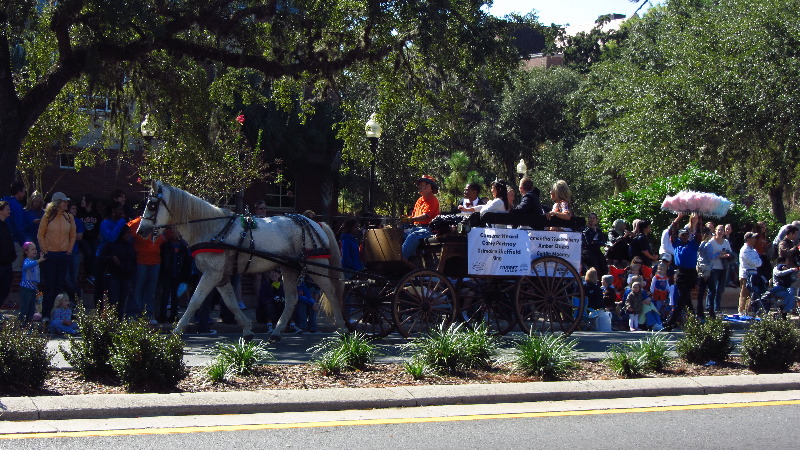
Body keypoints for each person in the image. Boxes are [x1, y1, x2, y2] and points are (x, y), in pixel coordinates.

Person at [37, 192, 76, 322]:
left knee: (59, 285)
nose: (66, 203)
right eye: (64, 201)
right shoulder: (47, 217)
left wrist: (69, 250)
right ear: (57, 202)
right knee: (49, 286)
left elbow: (73, 235)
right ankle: (46, 314)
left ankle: (56, 314)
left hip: (63, 255)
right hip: (50, 255)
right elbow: (40, 234)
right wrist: (45, 250)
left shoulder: (69, 217)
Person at [664, 213, 701, 330]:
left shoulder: (693, 244)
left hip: (690, 273)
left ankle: (671, 322)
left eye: (686, 235)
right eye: (683, 235)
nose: (685, 236)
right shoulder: (676, 244)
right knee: (685, 299)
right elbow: (671, 231)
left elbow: (698, 234)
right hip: (680, 273)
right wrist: (678, 218)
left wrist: (697, 222)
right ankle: (693, 322)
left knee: (683, 298)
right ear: (680, 236)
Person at [127, 215, 165, 322]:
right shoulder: (135, 223)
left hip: (155, 262)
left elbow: (163, 239)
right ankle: (136, 315)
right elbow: (127, 235)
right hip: (140, 262)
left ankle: (148, 315)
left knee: (150, 290)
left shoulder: (158, 224)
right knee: (138, 289)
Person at [94, 201, 127, 307]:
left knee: (115, 285)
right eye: (120, 210)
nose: (122, 212)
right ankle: (99, 310)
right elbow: (111, 238)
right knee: (100, 285)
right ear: (113, 211)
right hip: (103, 256)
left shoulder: (122, 223)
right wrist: (121, 222)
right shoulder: (105, 223)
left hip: (117, 256)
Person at [100, 224, 137, 316]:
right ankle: (113, 321)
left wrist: (132, 273)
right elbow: (101, 258)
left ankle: (120, 321)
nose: (128, 235)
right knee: (113, 300)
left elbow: (134, 260)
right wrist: (112, 258)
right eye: (127, 233)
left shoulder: (130, 246)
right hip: (114, 276)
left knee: (123, 302)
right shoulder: (111, 245)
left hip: (126, 276)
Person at [400, 176, 440, 260]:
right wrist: (407, 218)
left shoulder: (433, 200)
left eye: (422, 185)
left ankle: (401, 259)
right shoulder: (419, 200)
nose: (419, 187)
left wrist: (411, 219)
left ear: (429, 187)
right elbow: (413, 216)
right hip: (416, 228)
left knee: (413, 236)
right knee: (398, 233)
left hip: (428, 229)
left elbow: (426, 216)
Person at [158, 227, 191, 323]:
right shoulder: (164, 245)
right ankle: (162, 315)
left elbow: (187, 262)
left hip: (179, 274)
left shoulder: (184, 246)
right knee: (165, 294)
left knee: (175, 296)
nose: (174, 234)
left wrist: (186, 276)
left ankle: (174, 315)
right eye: (172, 232)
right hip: (167, 273)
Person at [704, 224, 732, 318]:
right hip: (713, 268)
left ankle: (717, 308)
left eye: (722, 230)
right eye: (718, 230)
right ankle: (709, 308)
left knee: (719, 290)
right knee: (712, 289)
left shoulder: (726, 242)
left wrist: (727, 255)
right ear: (715, 231)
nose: (720, 232)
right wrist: (718, 255)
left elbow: (729, 252)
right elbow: (708, 255)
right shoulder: (711, 242)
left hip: (723, 268)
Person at [77, 193, 102, 285]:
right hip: (83, 238)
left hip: (93, 238)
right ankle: (89, 274)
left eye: (84, 200)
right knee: (88, 252)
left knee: (97, 252)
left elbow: (98, 228)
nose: (82, 202)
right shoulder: (79, 213)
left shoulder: (97, 214)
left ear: (89, 202)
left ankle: (95, 274)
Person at [2, 182, 27, 271]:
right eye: (23, 192)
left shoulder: (4, 203)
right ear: (19, 192)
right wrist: (23, 243)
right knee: (15, 268)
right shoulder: (17, 206)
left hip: (4, 240)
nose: (24, 194)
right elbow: (19, 226)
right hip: (15, 241)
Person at [18, 241, 45, 322]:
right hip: (26, 289)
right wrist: (39, 261)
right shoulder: (27, 261)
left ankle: (29, 323)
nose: (35, 251)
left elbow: (35, 278)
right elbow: (27, 266)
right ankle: (20, 323)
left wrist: (36, 288)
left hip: (33, 289)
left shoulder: (35, 262)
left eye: (35, 249)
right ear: (26, 251)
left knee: (32, 308)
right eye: (32, 249)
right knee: (24, 307)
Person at [738, 231, 762, 316]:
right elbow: (751, 261)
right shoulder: (744, 250)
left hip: (754, 274)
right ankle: (741, 311)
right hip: (745, 275)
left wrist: (756, 262)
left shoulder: (754, 250)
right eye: (753, 238)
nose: (754, 240)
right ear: (748, 239)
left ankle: (748, 310)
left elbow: (759, 262)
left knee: (751, 293)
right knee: (744, 292)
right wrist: (755, 262)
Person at [65, 202, 84, 301]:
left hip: (75, 251)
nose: (75, 211)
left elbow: (80, 237)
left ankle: (75, 298)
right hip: (64, 251)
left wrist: (68, 235)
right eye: (73, 208)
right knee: (66, 277)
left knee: (74, 277)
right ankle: (75, 295)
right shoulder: (63, 221)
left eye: (76, 209)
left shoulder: (78, 221)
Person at [582, 212, 608, 277]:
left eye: (594, 218)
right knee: (594, 263)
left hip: (597, 250)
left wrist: (596, 243)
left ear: (596, 220)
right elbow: (588, 242)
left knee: (603, 263)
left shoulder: (598, 231)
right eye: (590, 218)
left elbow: (603, 241)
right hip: (588, 251)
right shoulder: (585, 230)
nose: (592, 220)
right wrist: (593, 232)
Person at [0, 201, 15, 308]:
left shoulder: (6, 225)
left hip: (7, 264)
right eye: (7, 209)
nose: (9, 211)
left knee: (5, 288)